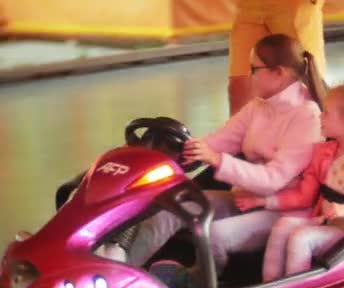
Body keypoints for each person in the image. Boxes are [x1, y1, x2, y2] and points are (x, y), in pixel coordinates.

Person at [97, 34, 326, 275]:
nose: (250, 76)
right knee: (171, 208)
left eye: (254, 68)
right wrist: (180, 152)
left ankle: (193, 285)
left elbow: (273, 179)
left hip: (281, 210)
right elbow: (220, 140)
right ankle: (116, 270)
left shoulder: (306, 116)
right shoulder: (259, 106)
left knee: (213, 234)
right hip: (244, 199)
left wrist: (216, 160)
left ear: (278, 73)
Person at [235, 79, 344, 282]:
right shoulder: (324, 152)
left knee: (301, 239)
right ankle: (270, 284)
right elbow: (304, 196)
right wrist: (263, 201)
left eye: (327, 113)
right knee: (282, 225)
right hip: (323, 221)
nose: (320, 116)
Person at [228, 0, 327, 115]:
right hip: (248, 6)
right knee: (240, 89)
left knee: (308, 84)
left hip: (293, 5)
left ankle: (330, 128)